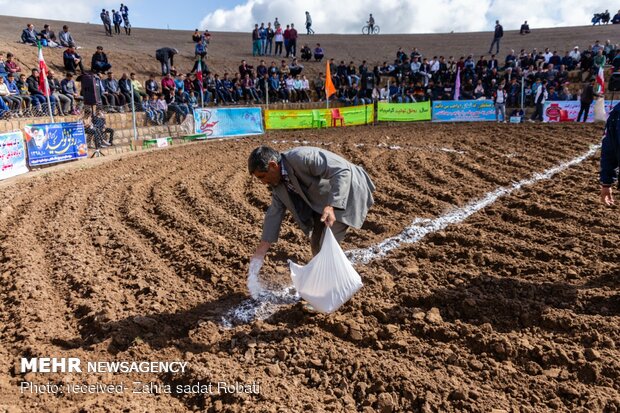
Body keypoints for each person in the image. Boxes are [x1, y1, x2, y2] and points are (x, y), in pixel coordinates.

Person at [247, 146, 376, 264]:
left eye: (262, 176)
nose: (263, 182)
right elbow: (274, 212)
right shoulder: (277, 184)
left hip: (347, 189)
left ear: (273, 165)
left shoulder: (302, 158)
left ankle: (336, 284)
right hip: (323, 201)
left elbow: (342, 171)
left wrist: (332, 205)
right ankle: (324, 277)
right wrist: (263, 247)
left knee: (326, 247)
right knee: (316, 244)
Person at [600, 101, 620, 205]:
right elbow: (610, 150)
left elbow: (609, 151)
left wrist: (606, 183)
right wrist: (606, 183)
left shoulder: (615, 113)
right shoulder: (615, 114)